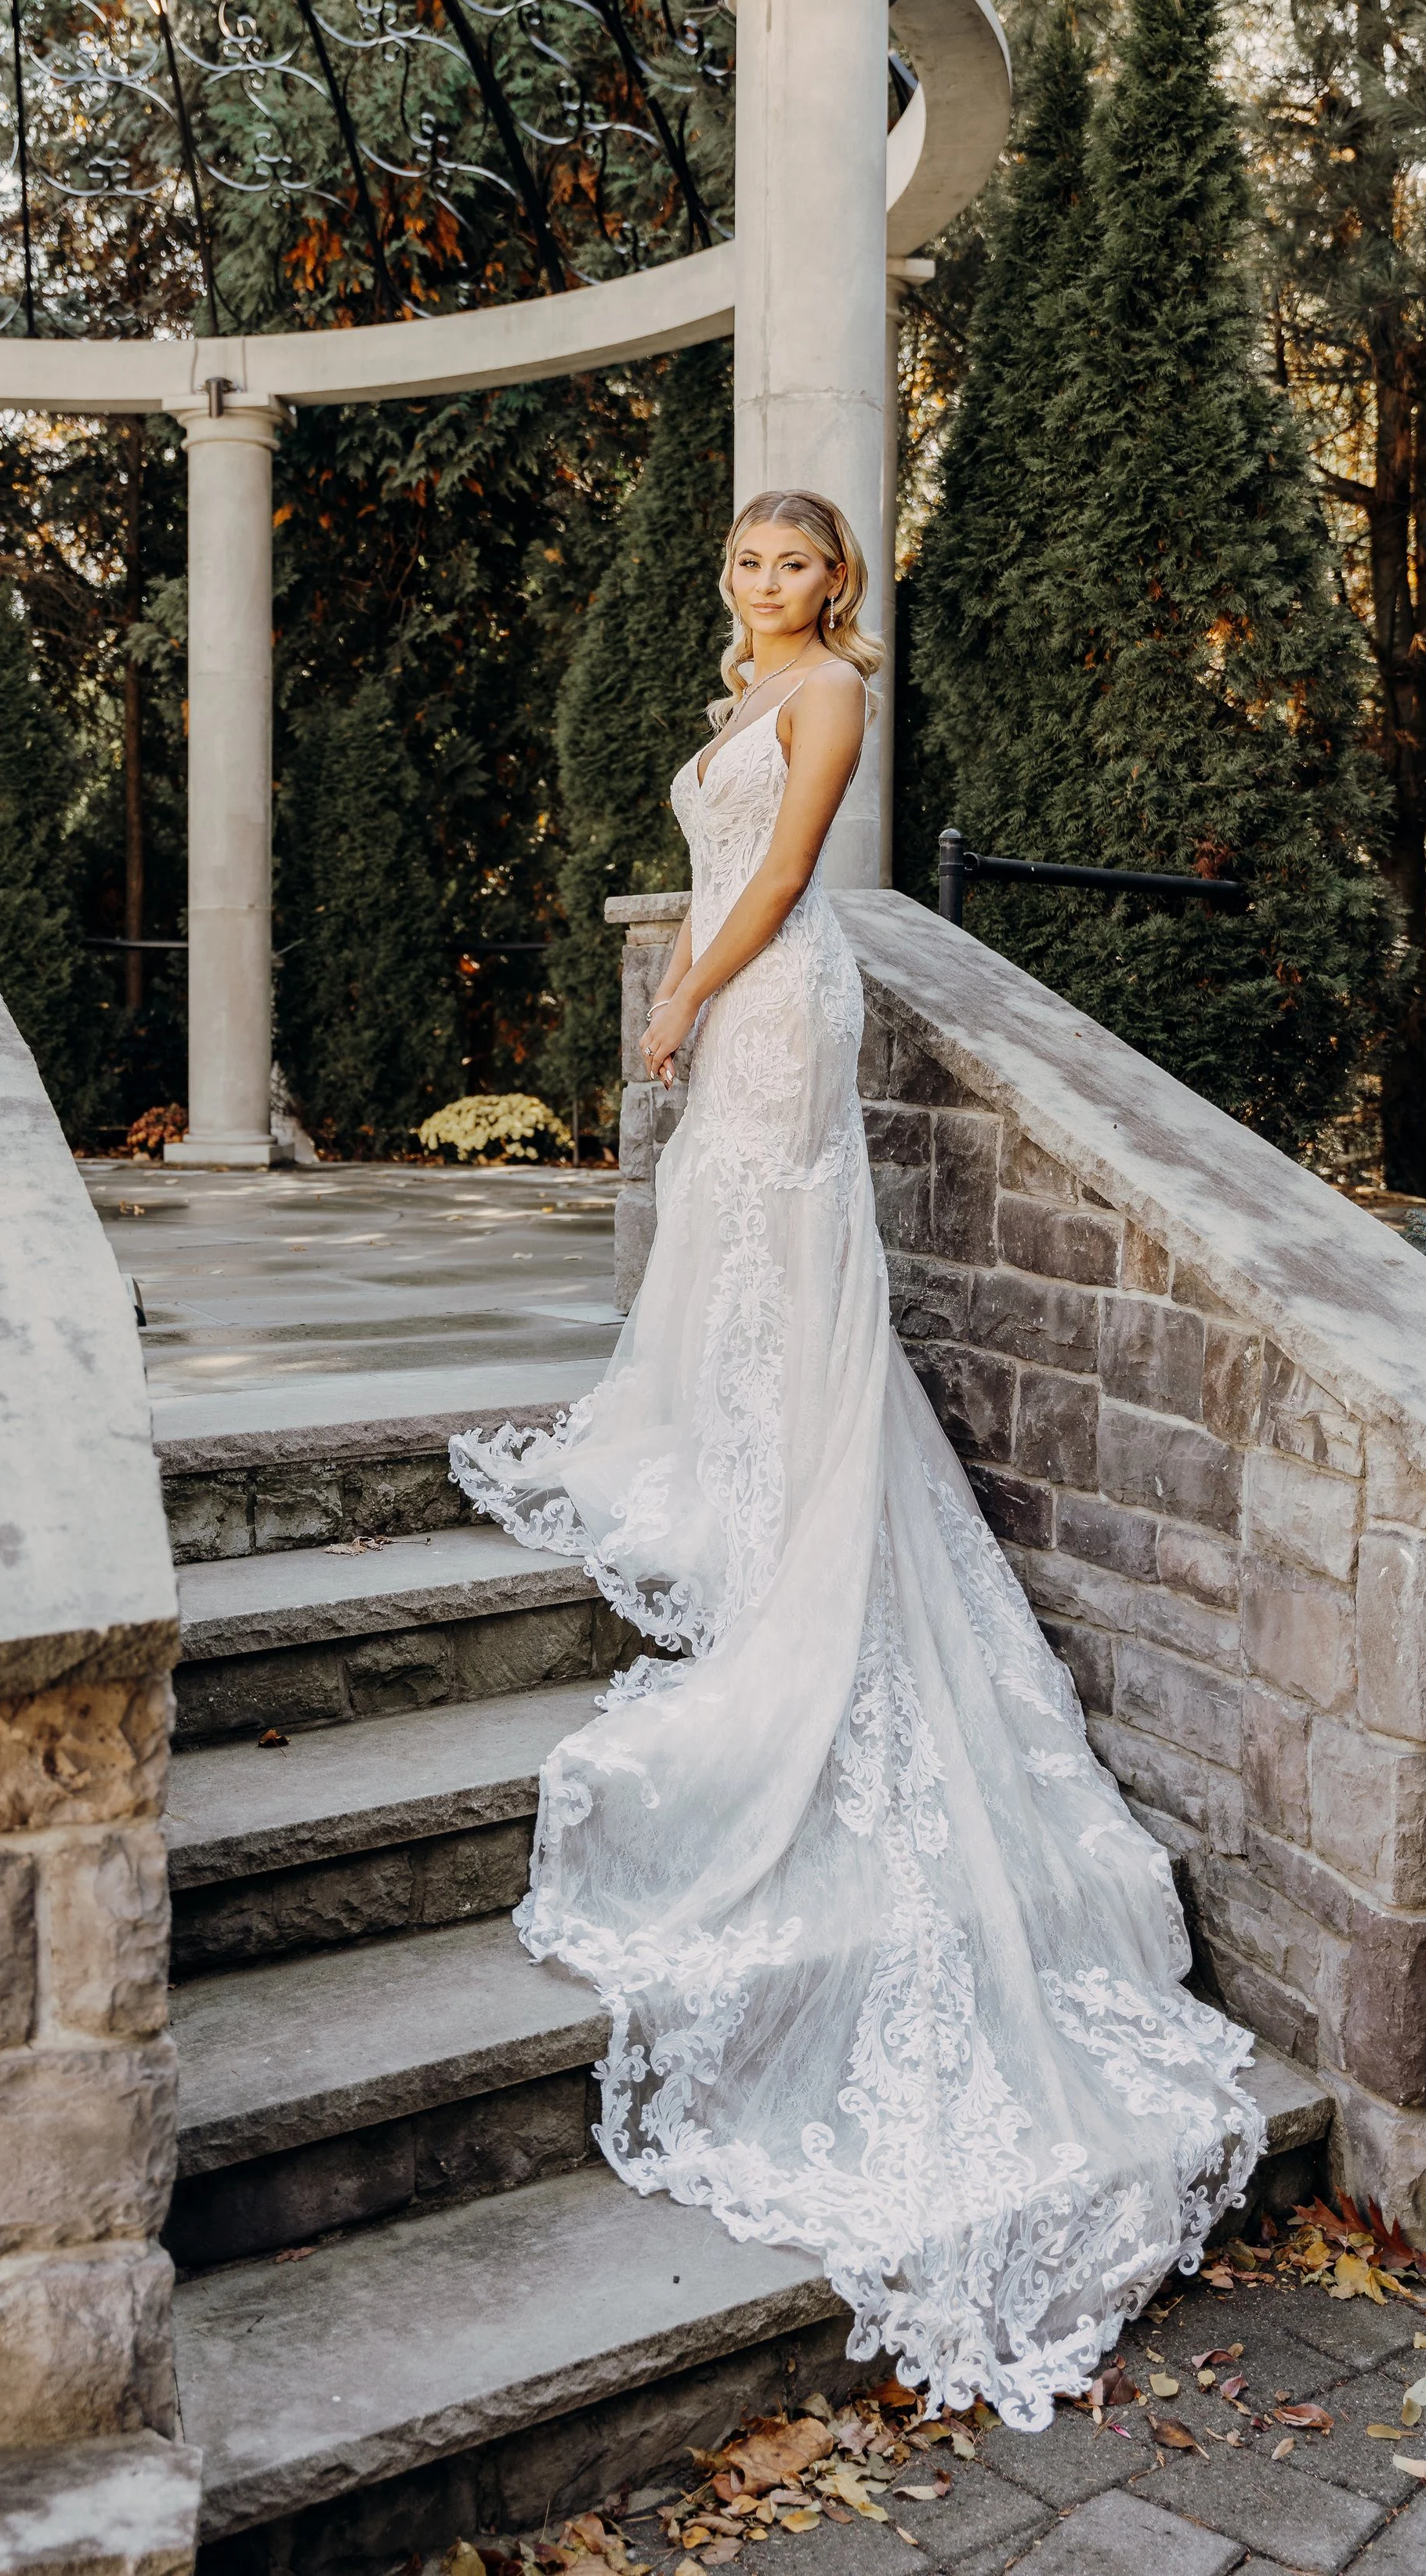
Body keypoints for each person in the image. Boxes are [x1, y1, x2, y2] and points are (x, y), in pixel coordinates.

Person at [451, 488, 1260, 2429]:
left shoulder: (825, 705)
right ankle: (735, 1463)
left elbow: (793, 873)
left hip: (777, 1003)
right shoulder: (748, 684)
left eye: (790, 565)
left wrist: (683, 984)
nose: (762, 586)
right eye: (742, 563)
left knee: (779, 1247)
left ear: (838, 584)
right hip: (744, 1015)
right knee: (731, 1261)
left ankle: (790, 1494)